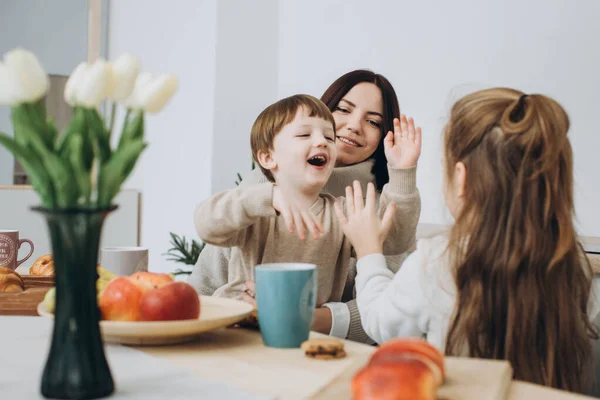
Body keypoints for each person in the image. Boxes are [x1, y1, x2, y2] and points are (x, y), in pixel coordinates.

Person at [336, 88, 600, 393]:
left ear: (461, 178)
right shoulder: (574, 263)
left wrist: (368, 250)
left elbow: (381, 322)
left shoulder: (436, 261)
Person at [189, 70, 421, 342]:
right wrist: (266, 198)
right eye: (343, 109)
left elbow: (394, 243)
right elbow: (208, 227)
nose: (354, 126)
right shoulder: (255, 199)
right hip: (233, 333)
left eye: (372, 121)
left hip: (310, 342)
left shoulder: (353, 209)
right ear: (267, 157)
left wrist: (402, 172)